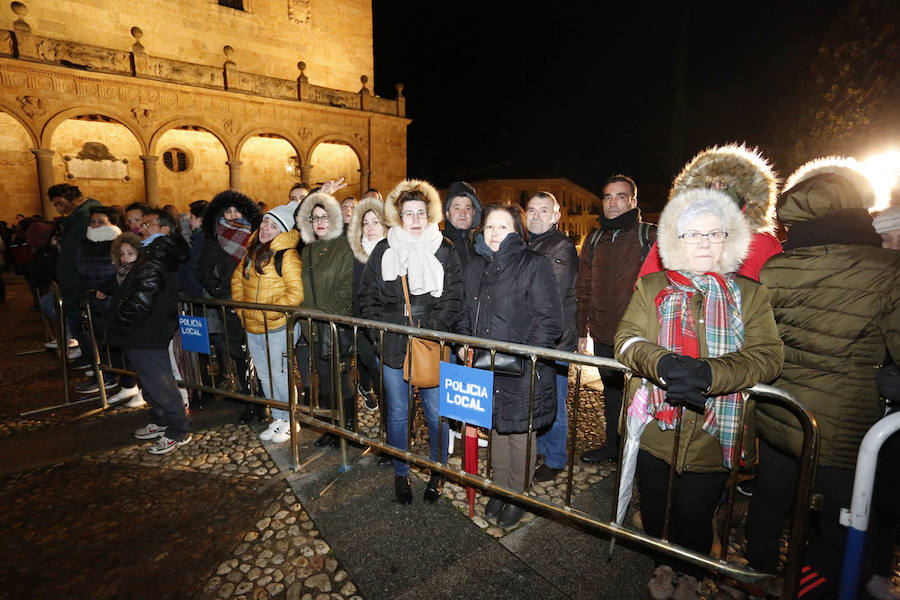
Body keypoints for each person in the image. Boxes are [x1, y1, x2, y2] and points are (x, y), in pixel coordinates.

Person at [615, 187, 783, 600]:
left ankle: (690, 570)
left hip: (713, 429)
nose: (704, 242)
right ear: (676, 240)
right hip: (656, 424)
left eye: (714, 233)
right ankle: (661, 562)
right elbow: (626, 340)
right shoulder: (651, 286)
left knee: (696, 509)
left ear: (729, 239)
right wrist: (663, 364)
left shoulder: (749, 294)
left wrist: (712, 373)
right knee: (654, 501)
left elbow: (767, 357)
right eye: (693, 234)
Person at [747, 157, 900, 600]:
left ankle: (755, 577)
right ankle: (810, 588)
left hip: (781, 413)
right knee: (841, 521)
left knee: (771, 500)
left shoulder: (775, 269)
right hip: (844, 428)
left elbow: (763, 341)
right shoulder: (886, 270)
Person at [358, 179, 463, 504]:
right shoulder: (384, 249)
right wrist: (381, 334)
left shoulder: (444, 248)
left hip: (431, 343)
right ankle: (401, 473)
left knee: (436, 414)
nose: (415, 219)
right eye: (408, 213)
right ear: (399, 216)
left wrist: (429, 330)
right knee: (399, 414)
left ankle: (437, 471)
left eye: (421, 212)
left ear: (429, 214)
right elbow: (367, 297)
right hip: (392, 344)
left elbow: (453, 296)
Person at [460, 203, 563, 527]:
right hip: (484, 364)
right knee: (497, 427)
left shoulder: (534, 265)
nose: (494, 233)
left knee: (520, 432)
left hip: (521, 368)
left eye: (502, 227)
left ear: (516, 232)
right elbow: (463, 312)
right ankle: (500, 489)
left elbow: (550, 321)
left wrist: (523, 357)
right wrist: (465, 342)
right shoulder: (475, 267)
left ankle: (519, 494)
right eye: (490, 226)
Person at [578, 174, 656, 464]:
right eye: (608, 197)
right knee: (611, 395)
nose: (612, 203)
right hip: (602, 334)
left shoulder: (649, 236)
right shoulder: (594, 239)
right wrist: (580, 330)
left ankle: (642, 455)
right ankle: (613, 445)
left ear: (633, 201)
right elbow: (583, 287)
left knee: (643, 398)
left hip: (639, 337)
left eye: (620, 196)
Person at [107, 209, 191, 454]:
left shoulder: (158, 254)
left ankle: (178, 429)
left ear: (164, 230)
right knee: (149, 378)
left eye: (148, 225)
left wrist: (124, 317)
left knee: (158, 379)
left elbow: (145, 292)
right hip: (144, 326)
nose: (141, 228)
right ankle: (161, 419)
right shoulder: (153, 251)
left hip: (147, 326)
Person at [638, 144, 781, 282]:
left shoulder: (762, 242)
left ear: (745, 194)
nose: (717, 191)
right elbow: (645, 288)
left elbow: (778, 297)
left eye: (725, 185)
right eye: (711, 185)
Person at [232, 203, 303, 444]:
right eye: (265, 222)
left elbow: (295, 295)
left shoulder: (287, 255)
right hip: (253, 327)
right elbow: (237, 280)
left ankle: (291, 420)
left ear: (282, 231)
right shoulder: (252, 250)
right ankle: (279, 417)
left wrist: (266, 314)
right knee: (264, 375)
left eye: (274, 226)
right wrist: (243, 312)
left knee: (280, 375)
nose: (266, 228)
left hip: (277, 327)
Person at [525, 192, 578, 482]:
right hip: (536, 339)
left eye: (543, 210)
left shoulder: (560, 247)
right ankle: (544, 449)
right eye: (531, 210)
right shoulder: (529, 243)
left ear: (556, 216)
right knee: (540, 397)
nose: (536, 215)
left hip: (554, 342)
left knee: (554, 399)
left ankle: (556, 458)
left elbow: (548, 297)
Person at [295, 191, 355, 447]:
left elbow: (347, 287)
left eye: (325, 217)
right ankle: (332, 427)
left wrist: (324, 315)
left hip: (335, 325)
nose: (320, 222)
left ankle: (349, 427)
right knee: (325, 379)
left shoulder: (345, 246)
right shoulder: (308, 250)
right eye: (315, 218)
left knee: (342, 379)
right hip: (314, 329)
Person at [197, 190, 262, 421]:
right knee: (238, 354)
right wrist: (219, 292)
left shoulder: (258, 234)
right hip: (230, 304)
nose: (233, 214)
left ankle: (265, 400)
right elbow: (203, 268)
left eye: (237, 210)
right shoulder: (213, 236)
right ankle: (249, 401)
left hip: (257, 302)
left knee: (260, 353)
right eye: (228, 210)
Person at [49, 184, 103, 369]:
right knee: (76, 320)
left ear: (73, 199)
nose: (59, 209)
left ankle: (94, 361)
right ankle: (88, 357)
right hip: (72, 279)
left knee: (82, 322)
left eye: (60, 203)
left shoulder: (85, 218)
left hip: (79, 281)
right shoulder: (75, 218)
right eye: (55, 205)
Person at [71, 206, 123, 397]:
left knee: (116, 341)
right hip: (92, 300)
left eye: (101, 222)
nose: (95, 225)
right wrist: (83, 292)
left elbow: (124, 271)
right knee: (97, 339)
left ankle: (125, 380)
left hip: (114, 299)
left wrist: (107, 289)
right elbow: (77, 272)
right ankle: (105, 375)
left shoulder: (119, 242)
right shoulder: (83, 245)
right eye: (93, 221)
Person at [347, 194, 387, 411]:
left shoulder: (394, 251)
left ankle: (395, 432)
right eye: (365, 223)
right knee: (373, 370)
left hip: (388, 328)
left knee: (390, 383)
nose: (370, 228)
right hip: (364, 328)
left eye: (375, 222)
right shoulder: (355, 253)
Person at [442, 181, 483, 268]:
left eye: (467, 208)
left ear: (473, 213)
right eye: (457, 208)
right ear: (447, 213)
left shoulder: (482, 245)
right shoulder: (437, 244)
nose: (463, 213)